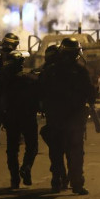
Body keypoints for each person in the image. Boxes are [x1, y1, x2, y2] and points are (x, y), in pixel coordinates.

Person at [38, 37, 96, 195]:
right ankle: (77, 184)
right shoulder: (80, 71)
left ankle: (57, 181)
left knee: (56, 152)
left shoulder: (50, 70)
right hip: (75, 119)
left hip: (56, 118)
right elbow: (90, 93)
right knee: (75, 151)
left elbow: (40, 92)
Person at [0, 50, 39, 189]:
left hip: (11, 118)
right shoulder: (31, 79)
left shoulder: (4, 82)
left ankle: (14, 178)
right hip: (28, 117)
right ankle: (26, 167)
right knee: (32, 146)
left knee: (12, 149)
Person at [35, 44, 68, 190]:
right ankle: (67, 176)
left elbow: (39, 92)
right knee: (69, 147)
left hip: (55, 115)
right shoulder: (71, 70)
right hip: (67, 115)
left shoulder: (46, 72)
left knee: (55, 148)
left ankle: (58, 176)